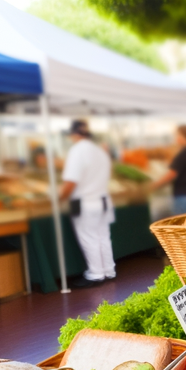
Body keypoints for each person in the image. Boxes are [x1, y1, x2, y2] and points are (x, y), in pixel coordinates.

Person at [59, 119, 114, 289]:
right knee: (103, 237)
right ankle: (108, 270)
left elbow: (71, 181)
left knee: (89, 238)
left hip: (85, 202)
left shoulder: (77, 151)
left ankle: (96, 274)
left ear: (74, 134)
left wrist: (60, 198)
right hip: (103, 200)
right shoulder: (99, 150)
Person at [150, 125, 186, 213]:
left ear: (182, 136)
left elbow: (172, 174)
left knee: (183, 224)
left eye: (176, 135)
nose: (175, 139)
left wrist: (153, 186)